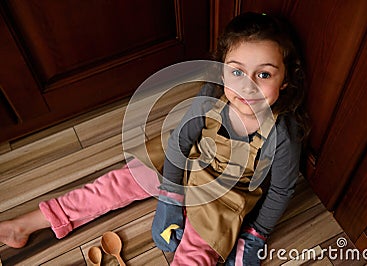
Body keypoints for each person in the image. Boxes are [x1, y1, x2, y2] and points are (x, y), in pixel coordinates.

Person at [0, 12, 309, 265]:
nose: (248, 87)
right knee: (114, 184)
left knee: (195, 254)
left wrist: (256, 235)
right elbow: (179, 144)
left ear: (285, 80)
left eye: (264, 74)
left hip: (225, 198)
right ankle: (26, 225)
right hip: (185, 162)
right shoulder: (212, 95)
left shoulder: (283, 133)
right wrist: (171, 198)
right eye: (237, 72)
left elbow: (281, 191)